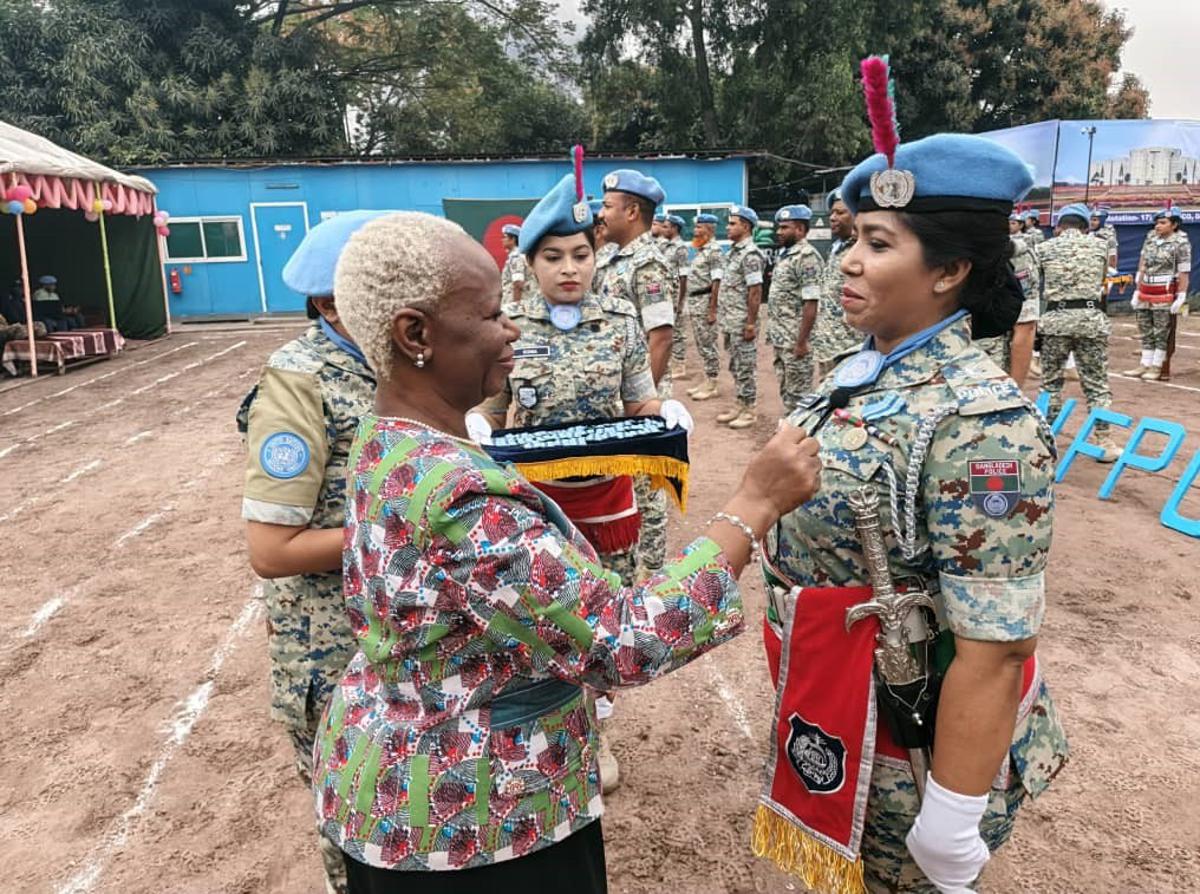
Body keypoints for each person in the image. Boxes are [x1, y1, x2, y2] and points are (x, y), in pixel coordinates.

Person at [316, 209, 822, 892]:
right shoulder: (464, 500)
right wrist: (754, 504)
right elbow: (624, 640)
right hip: (477, 821)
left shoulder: (390, 438)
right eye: (492, 314)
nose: (511, 329)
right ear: (416, 335)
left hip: (407, 785)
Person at [760, 131, 1068, 894]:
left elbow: (995, 645)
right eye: (851, 238)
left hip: (911, 737)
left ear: (951, 270)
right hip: (840, 701)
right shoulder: (860, 371)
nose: (851, 261)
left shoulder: (979, 421)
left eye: (878, 242)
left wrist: (955, 811)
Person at [470, 172, 696, 796]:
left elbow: (639, 404)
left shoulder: (621, 322)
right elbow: (493, 408)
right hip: (537, 503)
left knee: (598, 617)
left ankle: (596, 733)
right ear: (530, 262)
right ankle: (536, 727)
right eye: (553, 257)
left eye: (581, 255)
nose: (569, 269)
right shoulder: (510, 327)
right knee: (534, 614)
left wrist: (663, 418)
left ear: (597, 256)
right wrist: (480, 423)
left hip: (605, 501)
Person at [236, 210, 388, 894]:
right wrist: (408, 534)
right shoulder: (299, 383)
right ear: (332, 303)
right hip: (330, 647)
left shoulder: (388, 363)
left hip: (392, 624)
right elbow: (271, 549)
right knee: (355, 813)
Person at [594, 169, 676, 575]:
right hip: (616, 394)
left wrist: (642, 403)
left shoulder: (649, 263)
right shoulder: (608, 256)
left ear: (631, 211)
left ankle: (652, 570)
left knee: (647, 486)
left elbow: (660, 337)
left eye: (608, 206)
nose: (600, 213)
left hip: (641, 395)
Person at [1037, 203, 1118, 459]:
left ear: (1059, 226)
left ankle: (1046, 439)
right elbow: (1102, 280)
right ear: (1086, 226)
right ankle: (1104, 440)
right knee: (1096, 384)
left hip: (1055, 321)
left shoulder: (1044, 248)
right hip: (1090, 321)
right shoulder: (1100, 246)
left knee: (1051, 383)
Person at [766, 204, 824, 413]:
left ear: (800, 229)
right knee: (786, 387)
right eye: (779, 227)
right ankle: (789, 426)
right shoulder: (786, 255)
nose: (779, 232)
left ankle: (800, 433)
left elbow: (812, 302)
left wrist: (802, 341)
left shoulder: (806, 256)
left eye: (784, 227)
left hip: (795, 338)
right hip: (782, 336)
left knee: (800, 393)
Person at [712, 205, 765, 429]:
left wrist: (751, 323)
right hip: (731, 320)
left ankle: (750, 409)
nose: (728, 227)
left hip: (743, 321)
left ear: (745, 226)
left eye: (732, 223)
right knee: (735, 365)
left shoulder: (750, 254)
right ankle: (740, 404)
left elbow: (755, 291)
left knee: (745, 366)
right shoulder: (734, 252)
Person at [1126, 205, 1190, 381]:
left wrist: (1182, 295)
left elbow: (1184, 270)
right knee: (1146, 329)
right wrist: (1137, 289)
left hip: (1165, 290)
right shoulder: (1150, 238)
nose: (1157, 226)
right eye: (1156, 223)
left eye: (1163, 222)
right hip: (1146, 288)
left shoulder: (1181, 242)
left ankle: (1157, 366)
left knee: (1161, 332)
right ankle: (1144, 363)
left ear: (1174, 225)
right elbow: (1143, 263)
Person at [975, 213, 1040, 386]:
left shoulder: (1013, 253)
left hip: (983, 368)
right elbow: (1025, 327)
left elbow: (1024, 324)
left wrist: (1013, 392)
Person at [812, 189, 862, 379]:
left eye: (840, 213)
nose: (832, 218)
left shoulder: (862, 250)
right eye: (831, 213)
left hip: (850, 348)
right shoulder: (836, 249)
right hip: (827, 345)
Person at [686, 213, 725, 401]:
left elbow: (717, 282)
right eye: (695, 227)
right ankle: (707, 378)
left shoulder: (714, 252)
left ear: (709, 230)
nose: (695, 231)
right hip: (695, 301)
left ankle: (713, 382)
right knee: (701, 343)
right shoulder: (701, 251)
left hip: (705, 301)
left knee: (708, 343)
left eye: (699, 228)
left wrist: (712, 309)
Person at [664, 214, 692, 379]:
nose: (664, 229)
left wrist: (681, 301)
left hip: (675, 295)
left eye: (667, 227)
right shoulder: (667, 246)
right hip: (667, 294)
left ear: (675, 228)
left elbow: (683, 276)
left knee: (678, 331)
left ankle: (679, 364)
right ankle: (672, 361)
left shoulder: (680, 248)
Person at [500, 223, 528, 314]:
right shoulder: (518, 255)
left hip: (513, 306)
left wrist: (515, 306)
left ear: (513, 239)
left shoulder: (516, 257)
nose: (502, 240)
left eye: (505, 237)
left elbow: (518, 283)